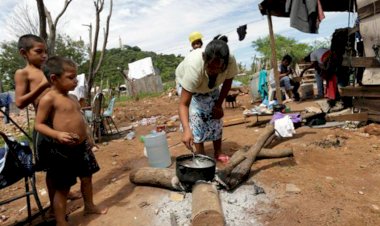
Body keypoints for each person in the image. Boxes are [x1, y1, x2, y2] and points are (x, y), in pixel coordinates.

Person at [14, 34, 84, 217]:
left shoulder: (49, 69)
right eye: (39, 51)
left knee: (65, 164)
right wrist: (42, 86)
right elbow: (19, 102)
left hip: (60, 122)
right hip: (45, 125)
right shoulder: (23, 73)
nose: (44, 55)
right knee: (53, 169)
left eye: (45, 51)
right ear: (24, 53)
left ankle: (65, 192)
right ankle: (54, 209)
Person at [35, 56, 107, 226]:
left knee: (87, 178)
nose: (75, 81)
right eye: (71, 77)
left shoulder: (73, 98)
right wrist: (57, 135)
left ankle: (89, 206)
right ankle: (61, 221)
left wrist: (88, 136)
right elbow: (38, 125)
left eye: (75, 76)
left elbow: (80, 119)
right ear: (54, 78)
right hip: (62, 151)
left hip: (81, 147)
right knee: (63, 187)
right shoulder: (48, 99)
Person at [176, 35, 238, 163]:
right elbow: (184, 104)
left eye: (218, 68)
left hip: (211, 86)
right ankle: (201, 154)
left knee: (216, 116)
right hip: (190, 87)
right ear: (204, 58)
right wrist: (187, 130)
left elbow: (227, 83)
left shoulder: (230, 61)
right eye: (210, 67)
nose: (214, 71)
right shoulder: (194, 66)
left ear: (225, 64)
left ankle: (218, 151)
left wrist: (219, 105)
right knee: (197, 118)